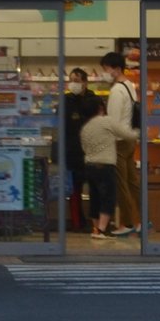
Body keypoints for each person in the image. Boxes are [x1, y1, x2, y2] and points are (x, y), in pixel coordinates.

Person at [78, 60, 137, 239]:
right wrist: (138, 133)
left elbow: (84, 146)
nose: (104, 72)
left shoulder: (85, 127)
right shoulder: (108, 120)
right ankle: (108, 228)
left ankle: (95, 228)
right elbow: (124, 132)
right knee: (109, 197)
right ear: (100, 108)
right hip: (106, 165)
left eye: (105, 68)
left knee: (94, 197)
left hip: (89, 165)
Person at [98, 49, 144, 235]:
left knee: (121, 184)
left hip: (118, 142)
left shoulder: (117, 91)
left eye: (106, 68)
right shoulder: (130, 86)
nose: (104, 72)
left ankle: (127, 223)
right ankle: (142, 220)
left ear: (116, 69)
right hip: (131, 138)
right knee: (133, 182)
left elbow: (114, 121)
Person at [61, 69, 100, 229]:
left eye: (76, 80)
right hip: (72, 152)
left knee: (95, 189)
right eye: (71, 80)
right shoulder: (66, 100)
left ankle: (96, 223)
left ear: (85, 82)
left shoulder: (94, 100)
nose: (73, 84)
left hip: (92, 152)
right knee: (74, 190)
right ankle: (78, 223)